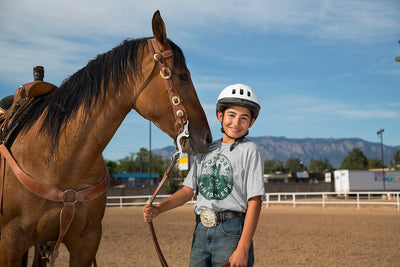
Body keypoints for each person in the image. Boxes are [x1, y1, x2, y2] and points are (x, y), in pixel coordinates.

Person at [143, 83, 264, 267]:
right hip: (201, 229)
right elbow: (187, 191)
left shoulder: (250, 150)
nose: (236, 123)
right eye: (231, 115)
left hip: (231, 231)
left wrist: (243, 247)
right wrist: (159, 208)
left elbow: (254, 200)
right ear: (220, 116)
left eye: (244, 118)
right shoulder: (204, 149)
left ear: (252, 122)